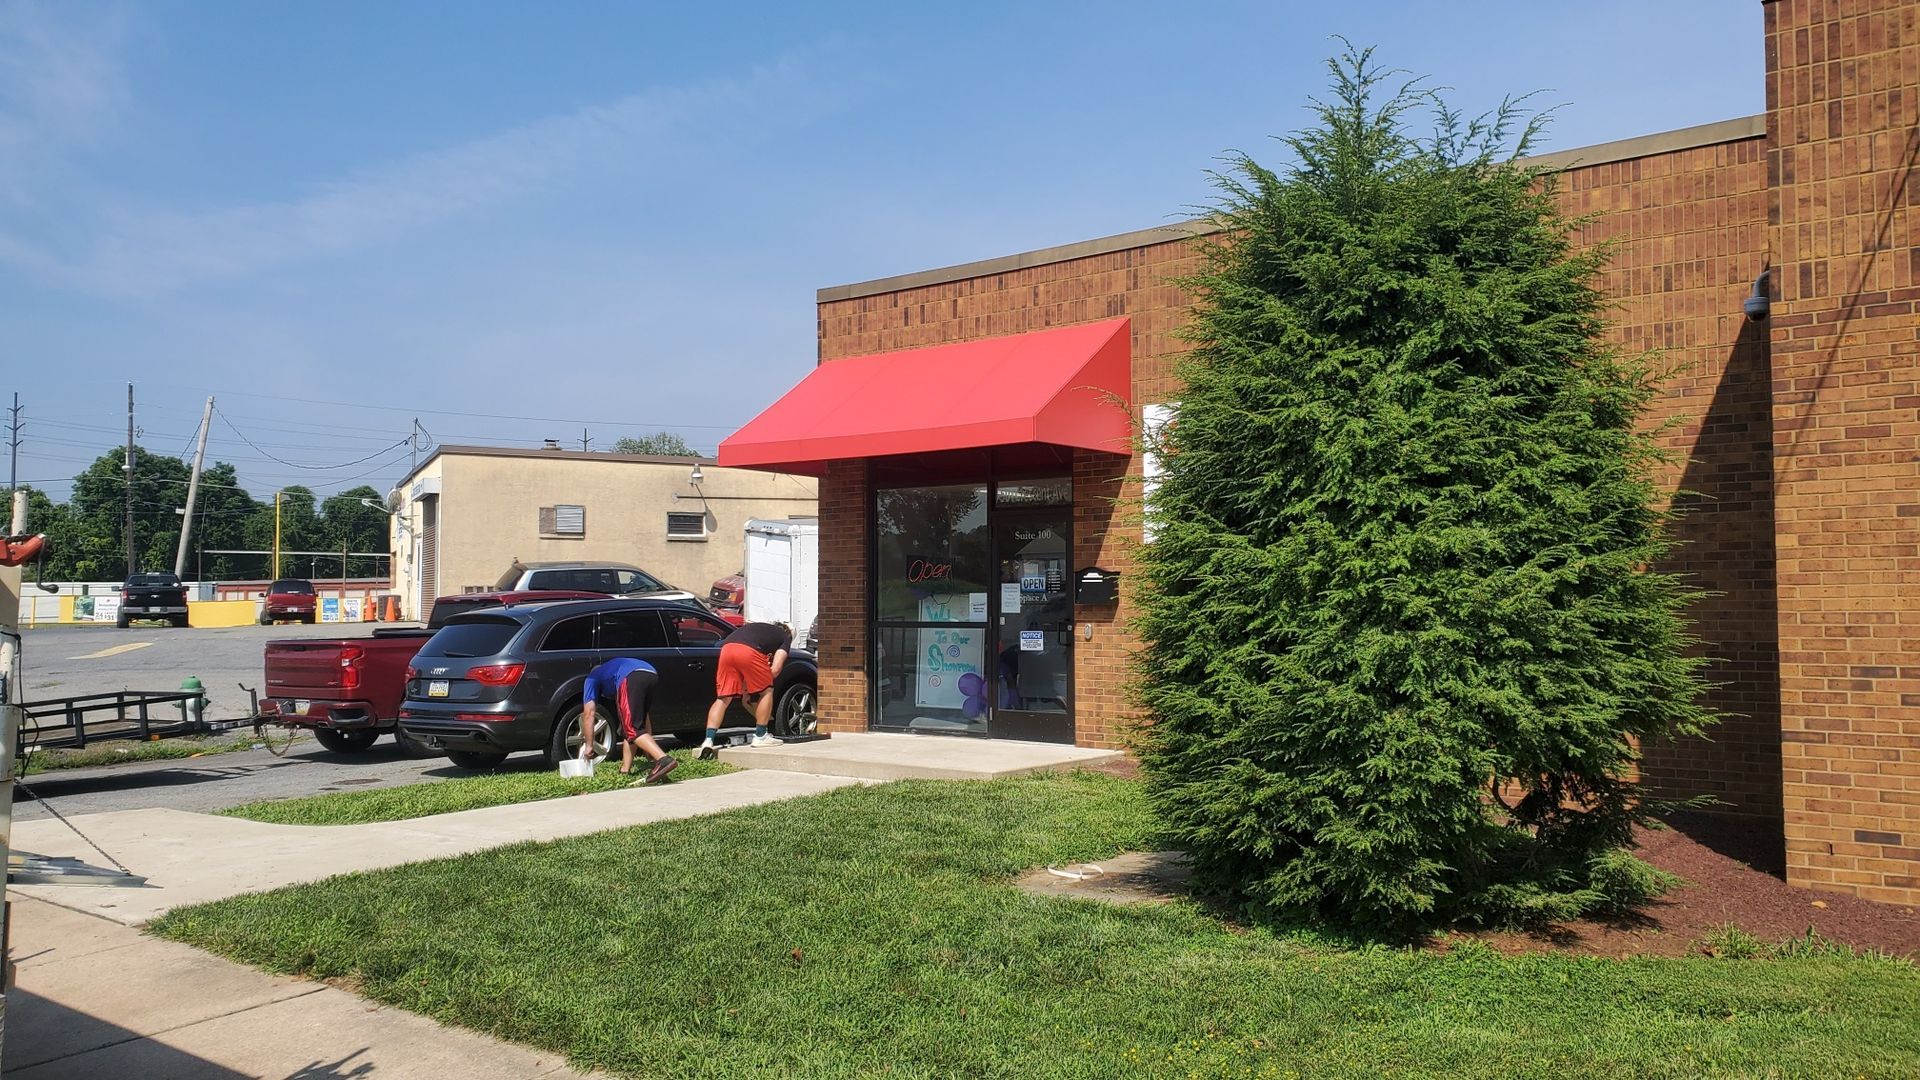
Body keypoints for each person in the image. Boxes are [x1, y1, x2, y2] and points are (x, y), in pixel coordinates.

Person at [579, 656, 679, 784]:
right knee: (630, 727)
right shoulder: (611, 671)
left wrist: (589, 745)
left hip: (631, 676)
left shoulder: (591, 679)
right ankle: (625, 769)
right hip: (651, 673)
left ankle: (664, 760)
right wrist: (648, 752)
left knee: (631, 728)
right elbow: (644, 719)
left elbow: (588, 714)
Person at [698, 621, 792, 757]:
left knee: (723, 698)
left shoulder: (758, 628)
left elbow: (730, 647)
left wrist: (749, 685)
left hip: (727, 650)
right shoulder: (784, 637)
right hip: (750, 651)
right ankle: (761, 736)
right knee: (767, 690)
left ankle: (708, 740)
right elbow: (776, 669)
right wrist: (760, 683)